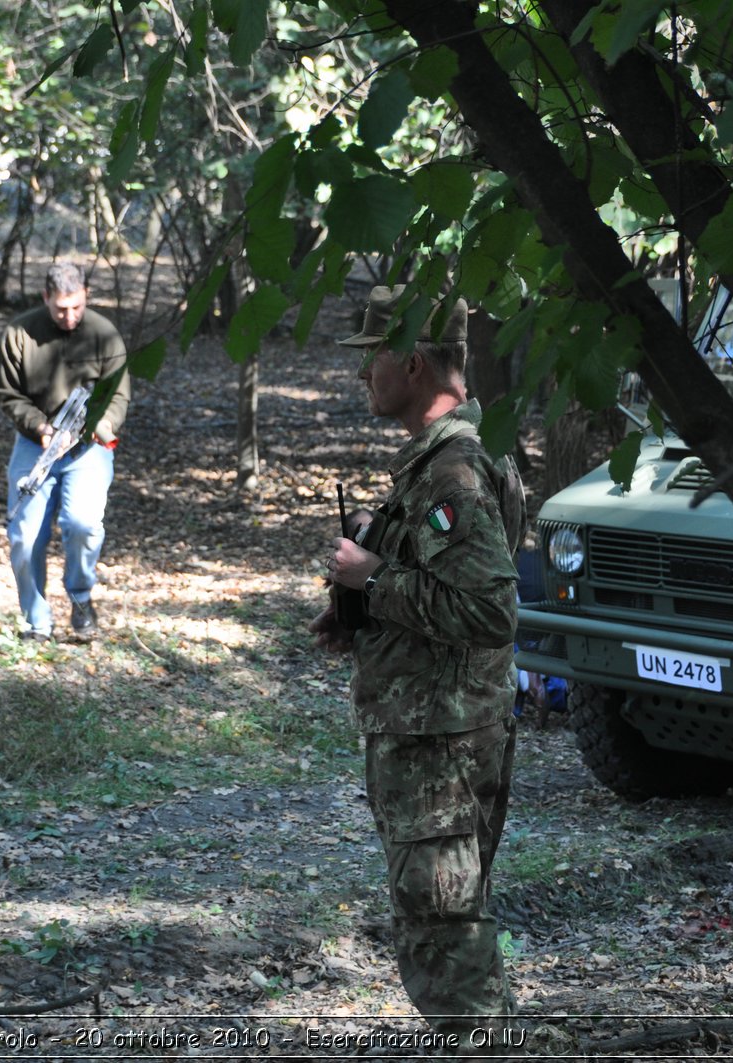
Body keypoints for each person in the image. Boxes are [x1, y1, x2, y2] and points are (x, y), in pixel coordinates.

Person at [309, 285, 526, 1054]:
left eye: (370, 357)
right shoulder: (458, 454)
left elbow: (490, 611)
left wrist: (374, 577)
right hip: (445, 724)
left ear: (410, 361)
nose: (362, 375)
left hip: (439, 740)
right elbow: (452, 588)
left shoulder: (454, 471)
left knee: (442, 928)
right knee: (452, 921)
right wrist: (366, 599)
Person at [0, 264, 130, 640]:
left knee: (83, 525)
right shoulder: (21, 332)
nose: (68, 317)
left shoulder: (104, 334)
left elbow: (118, 394)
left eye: (76, 308)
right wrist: (39, 426)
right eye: (59, 309)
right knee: (23, 534)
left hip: (88, 450)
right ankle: (35, 620)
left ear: (86, 294)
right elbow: (7, 393)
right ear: (45, 298)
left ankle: (82, 600)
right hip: (34, 444)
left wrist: (96, 428)